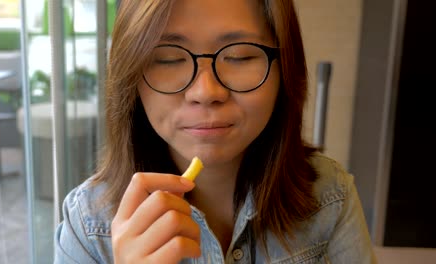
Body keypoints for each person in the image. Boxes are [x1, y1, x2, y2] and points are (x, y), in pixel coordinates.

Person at [54, 0, 377, 263]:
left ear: (285, 70)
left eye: (239, 55)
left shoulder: (330, 196)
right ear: (131, 80)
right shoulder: (88, 226)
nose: (205, 91)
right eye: (167, 59)